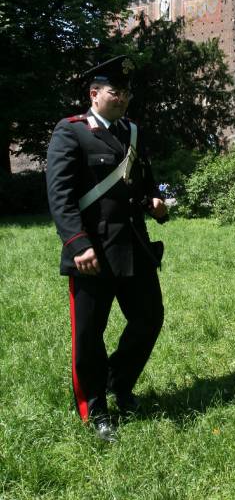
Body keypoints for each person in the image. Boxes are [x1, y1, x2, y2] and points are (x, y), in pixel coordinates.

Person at [46, 56, 167, 441]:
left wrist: (155, 202)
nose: (123, 99)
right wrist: (78, 244)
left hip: (133, 247)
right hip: (92, 253)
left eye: (127, 93)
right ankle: (95, 405)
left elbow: (143, 182)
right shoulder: (71, 132)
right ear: (94, 94)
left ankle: (119, 382)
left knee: (149, 319)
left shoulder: (132, 132)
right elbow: (60, 196)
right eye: (116, 92)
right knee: (89, 334)